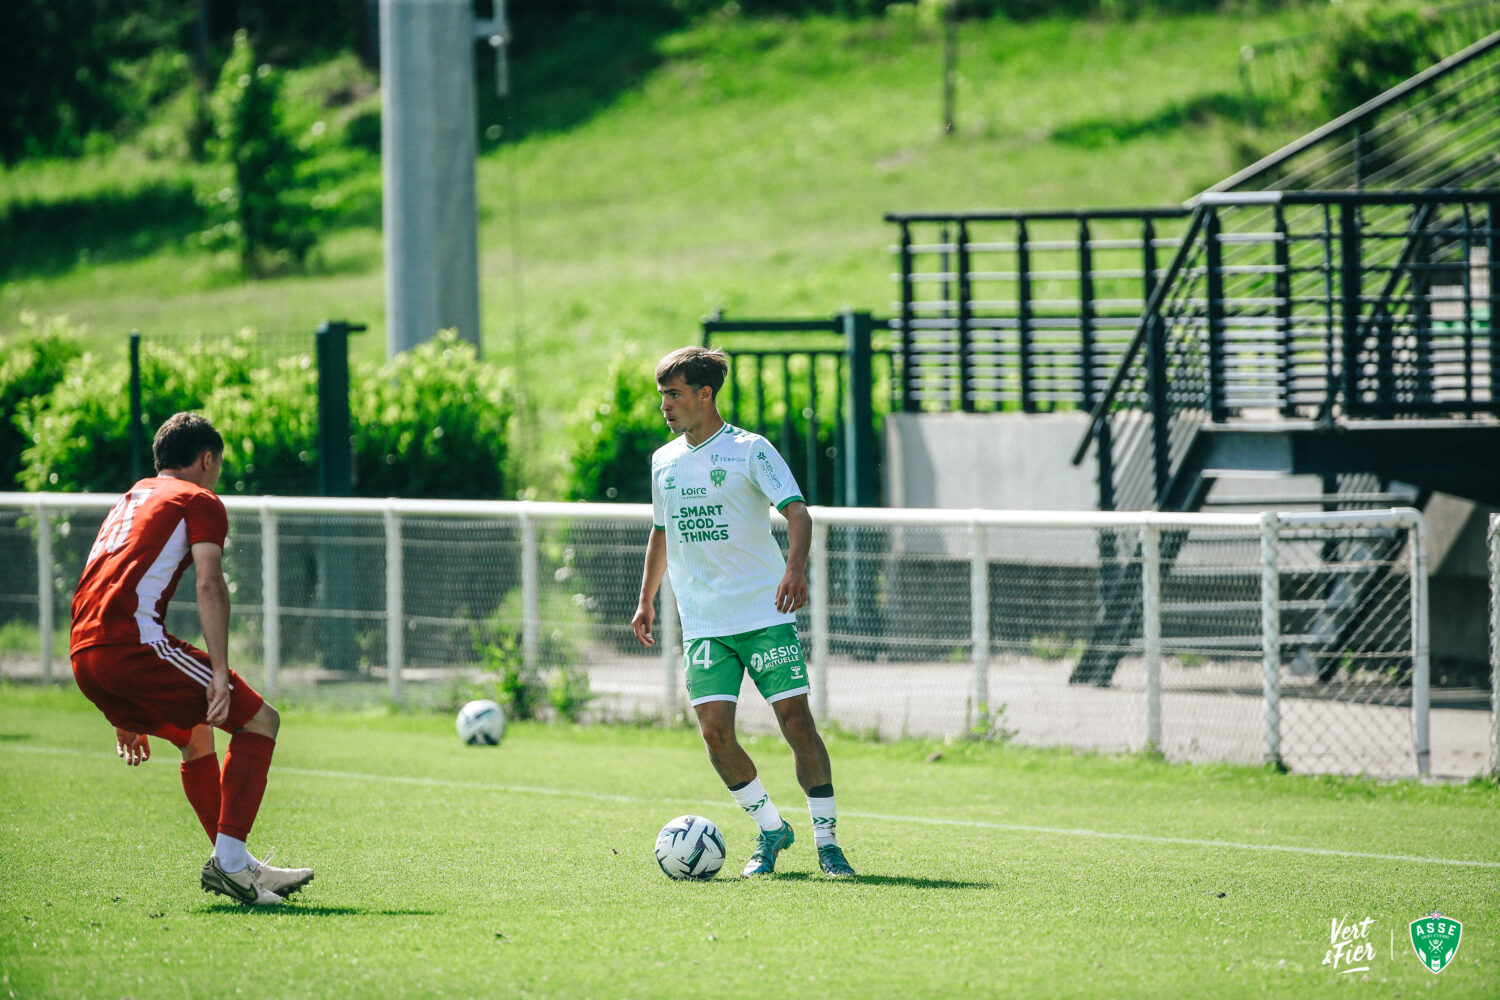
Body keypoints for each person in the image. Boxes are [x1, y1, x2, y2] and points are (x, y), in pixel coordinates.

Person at [69, 412, 312, 906]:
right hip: (131, 647)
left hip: (84, 651)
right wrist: (220, 672)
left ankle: (238, 863)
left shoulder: (132, 498)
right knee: (261, 721)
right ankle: (230, 863)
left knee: (197, 738)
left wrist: (122, 705)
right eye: (216, 464)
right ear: (207, 459)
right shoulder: (199, 498)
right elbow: (209, 582)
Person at [632, 347, 855, 879]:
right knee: (714, 734)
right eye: (663, 395)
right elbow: (662, 532)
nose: (666, 405)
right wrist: (646, 598)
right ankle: (772, 828)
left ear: (704, 394)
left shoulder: (749, 450)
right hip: (705, 623)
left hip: (762, 613)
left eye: (675, 394)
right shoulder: (664, 461)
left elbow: (798, 514)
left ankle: (828, 842)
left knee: (797, 724)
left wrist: (794, 570)